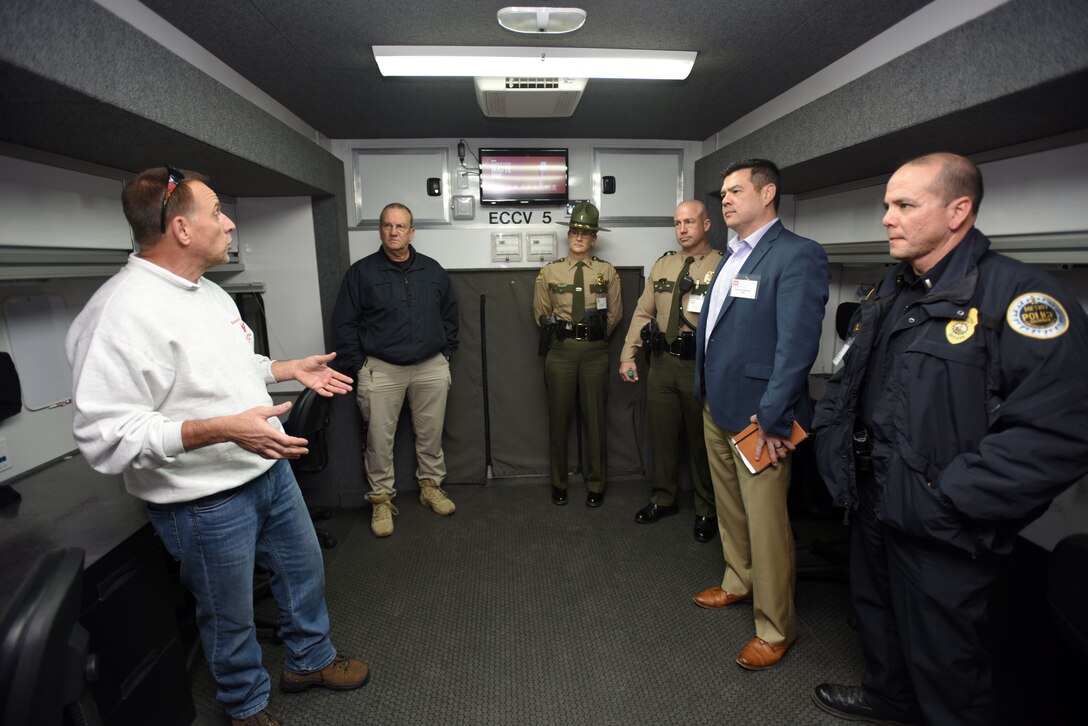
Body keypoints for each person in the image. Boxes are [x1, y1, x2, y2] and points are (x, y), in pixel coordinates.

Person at [65, 167, 369, 726]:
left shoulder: (207, 292)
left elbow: (228, 368)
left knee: (304, 573)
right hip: (203, 501)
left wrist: (283, 368)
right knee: (228, 615)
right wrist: (224, 429)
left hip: (266, 473)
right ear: (181, 228)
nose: (229, 223)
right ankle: (245, 704)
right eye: (217, 212)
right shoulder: (117, 315)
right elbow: (105, 438)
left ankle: (308, 659)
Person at [810, 152, 1088, 725]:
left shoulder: (1018, 298)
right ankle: (888, 696)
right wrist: (831, 447)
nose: (886, 218)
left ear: (958, 210)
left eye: (904, 205)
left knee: (948, 664)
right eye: (887, 204)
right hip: (875, 500)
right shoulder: (893, 290)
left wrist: (952, 494)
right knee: (877, 616)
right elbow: (851, 377)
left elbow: (1060, 429)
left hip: (940, 520)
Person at [692, 158, 829, 670]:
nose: (724, 200)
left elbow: (796, 349)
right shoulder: (731, 256)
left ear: (768, 193)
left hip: (760, 419)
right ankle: (738, 581)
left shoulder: (797, 256)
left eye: (735, 191)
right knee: (730, 509)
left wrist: (772, 418)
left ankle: (775, 628)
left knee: (767, 523)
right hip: (716, 405)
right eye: (722, 193)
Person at [331, 202, 459, 538]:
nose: (393, 232)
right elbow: (344, 324)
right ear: (380, 231)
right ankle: (381, 499)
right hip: (382, 369)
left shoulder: (433, 271)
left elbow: (450, 316)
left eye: (400, 226)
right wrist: (359, 366)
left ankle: (431, 487)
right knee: (378, 440)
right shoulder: (361, 273)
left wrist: (445, 355)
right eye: (387, 225)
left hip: (430, 366)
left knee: (431, 434)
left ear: (411, 232)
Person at [619, 200, 720, 541]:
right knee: (661, 436)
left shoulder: (723, 266)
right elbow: (643, 312)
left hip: (699, 366)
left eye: (690, 222)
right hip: (661, 364)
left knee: (701, 441)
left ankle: (707, 509)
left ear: (706, 224)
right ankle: (663, 499)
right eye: (677, 223)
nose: (682, 229)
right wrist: (628, 354)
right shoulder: (663, 265)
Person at [533, 201, 623, 507]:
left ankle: (596, 484)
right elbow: (541, 313)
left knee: (596, 422)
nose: (578, 237)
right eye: (574, 231)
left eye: (585, 232)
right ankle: (558, 482)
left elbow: (614, 314)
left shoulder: (606, 272)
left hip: (596, 352)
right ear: (568, 234)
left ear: (594, 237)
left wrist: (595, 337)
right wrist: (567, 336)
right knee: (559, 420)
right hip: (560, 352)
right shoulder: (550, 271)